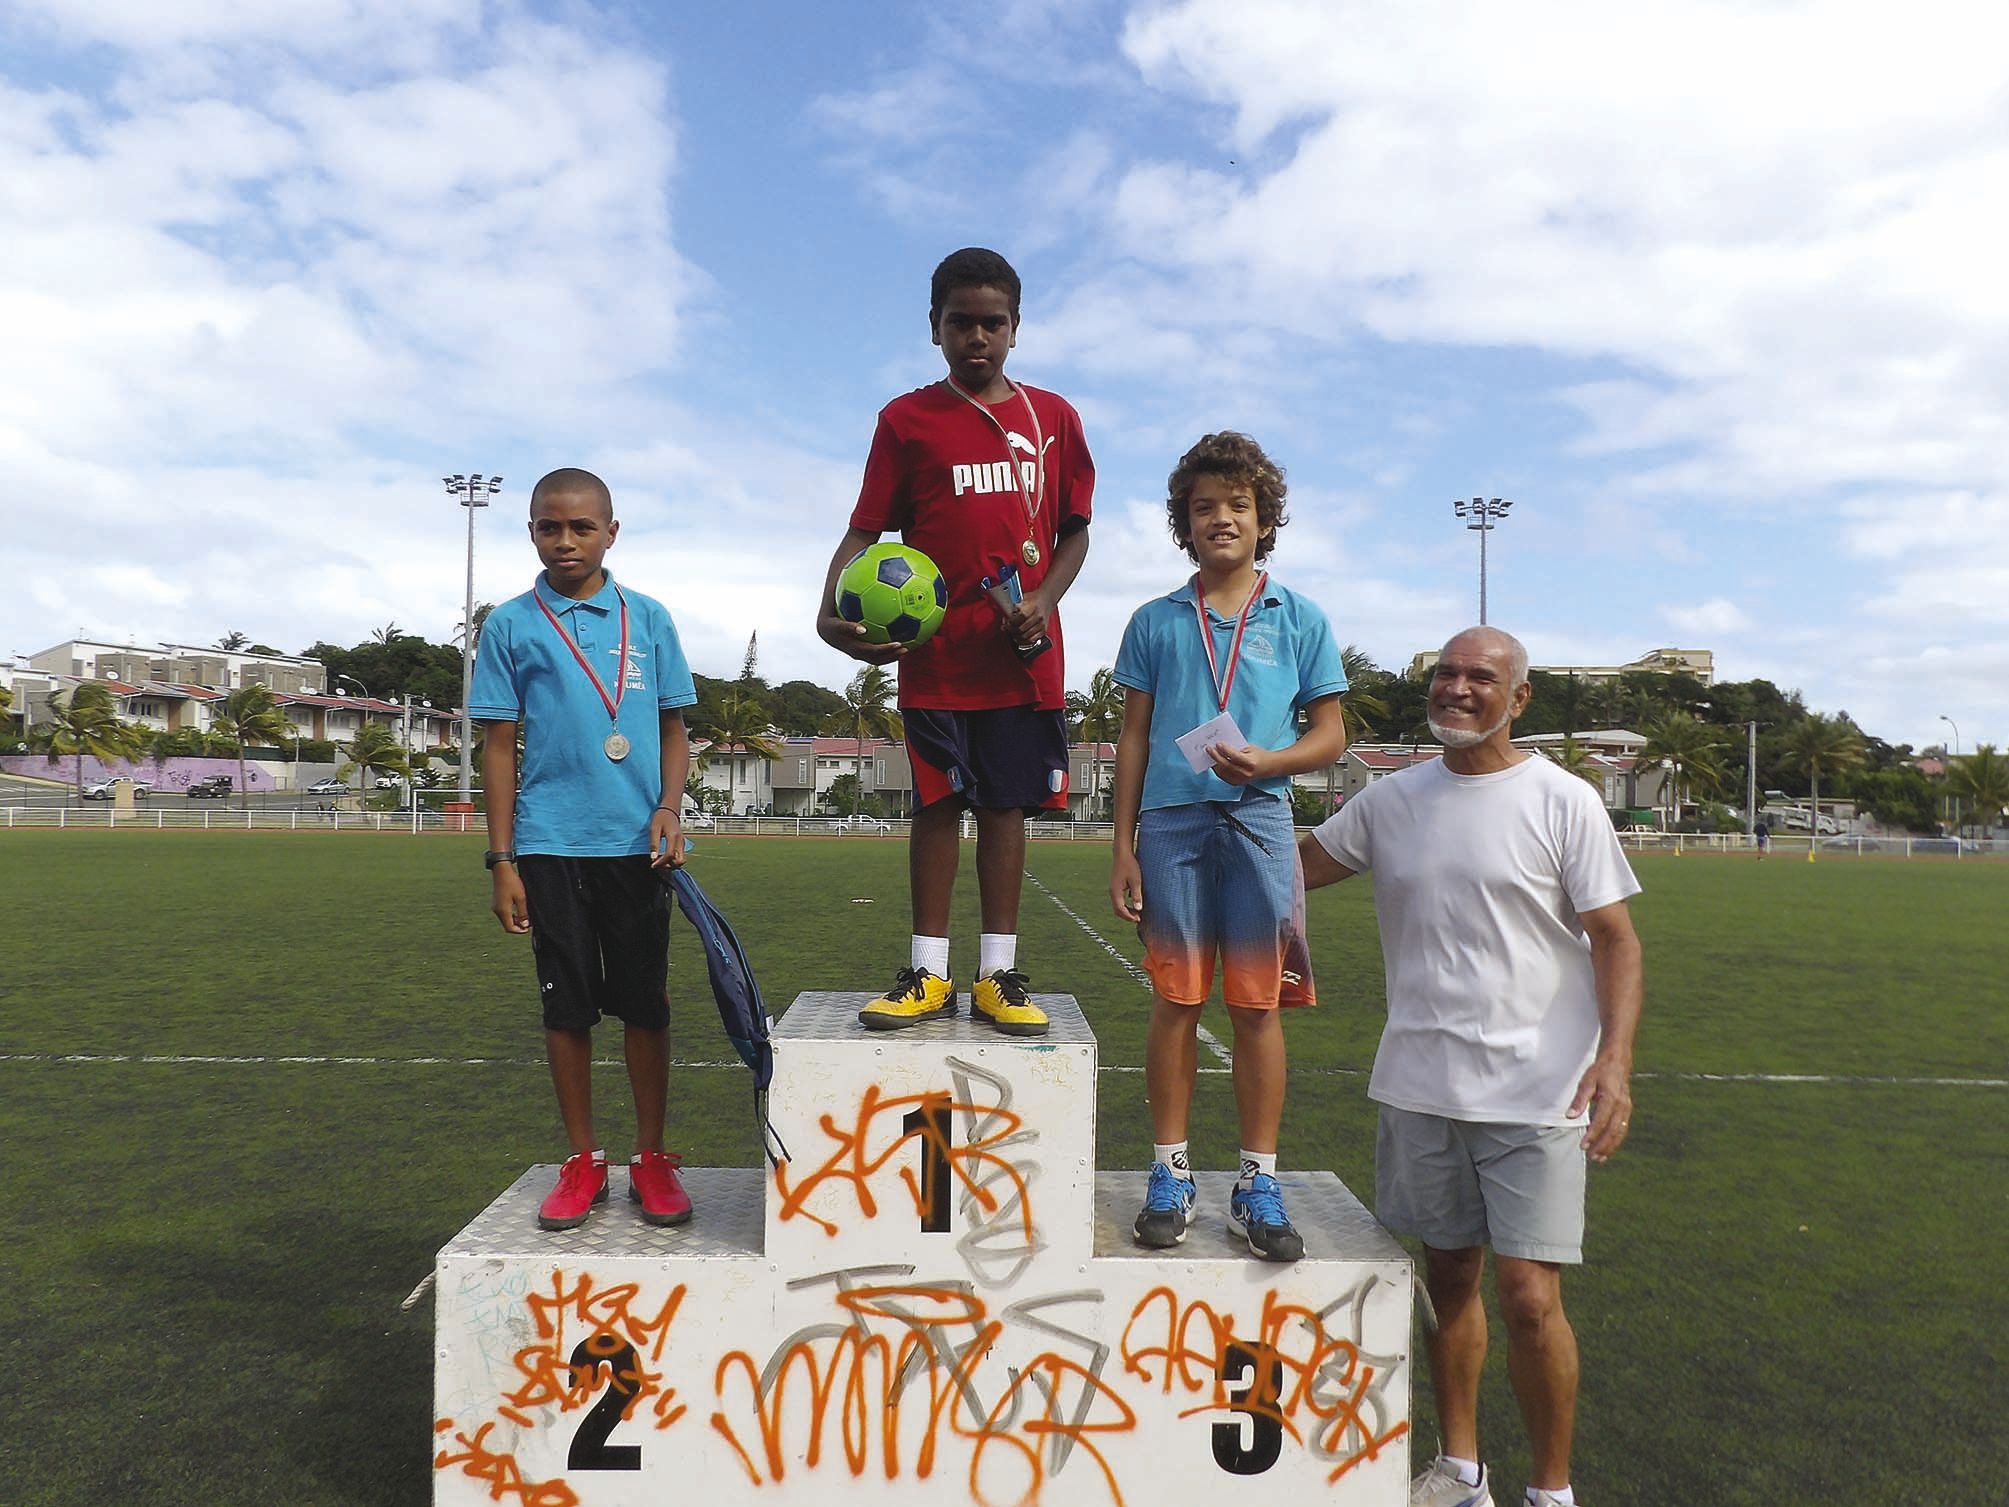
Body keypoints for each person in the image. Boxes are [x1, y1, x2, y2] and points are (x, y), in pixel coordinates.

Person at [1301, 627, 1644, 1507]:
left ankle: (1551, 1490)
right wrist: (1189, 839)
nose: (1456, 688)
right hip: (1420, 1083)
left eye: (1479, 677)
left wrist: (1615, 1059)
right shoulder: (1390, 800)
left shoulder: (1561, 800)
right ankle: (1460, 1467)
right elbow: (1296, 867)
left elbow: (1615, 940)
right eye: (1445, 673)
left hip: (1539, 1089)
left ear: (1517, 698)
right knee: (1447, 1282)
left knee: (1529, 1297)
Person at [816, 247, 1093, 1037]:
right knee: (936, 807)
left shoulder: (1055, 418)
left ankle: (997, 973)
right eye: (960, 322)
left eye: (992, 323)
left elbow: (1074, 532)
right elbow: (865, 528)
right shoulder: (905, 420)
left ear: (1015, 327)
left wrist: (1042, 597)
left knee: (1005, 807)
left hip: (1022, 658)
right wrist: (826, 608)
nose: (977, 337)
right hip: (935, 657)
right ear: (933, 328)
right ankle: (928, 974)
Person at [1108, 432, 1347, 1261]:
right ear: (1183, 522)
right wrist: (1122, 844)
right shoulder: (1153, 620)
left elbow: (1330, 732)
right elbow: (1132, 739)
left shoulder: (1300, 616)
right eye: (1203, 506)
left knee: (1255, 1006)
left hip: (1259, 820)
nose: (1220, 518)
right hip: (1170, 827)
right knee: (1175, 1000)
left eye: (1237, 506)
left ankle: (1256, 1181)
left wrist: (1272, 760)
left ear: (1263, 519)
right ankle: (1169, 1171)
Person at [472, 468, 698, 1232]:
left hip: (638, 843)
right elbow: (497, 746)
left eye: (580, 527)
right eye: (547, 526)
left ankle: (653, 1156)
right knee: (566, 1006)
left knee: (645, 1002)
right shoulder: (510, 623)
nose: (564, 541)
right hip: (547, 842)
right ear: (531, 530)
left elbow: (673, 729)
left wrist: (668, 807)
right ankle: (582, 1157)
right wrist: (501, 858)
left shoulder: (651, 618)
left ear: (610, 530)